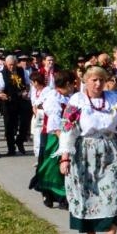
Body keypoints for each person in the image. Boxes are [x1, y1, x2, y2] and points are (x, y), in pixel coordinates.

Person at [58, 64, 117, 234]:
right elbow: (67, 130)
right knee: (86, 196)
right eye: (94, 80)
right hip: (84, 153)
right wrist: (65, 157)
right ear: (85, 81)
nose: (98, 84)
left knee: (114, 194)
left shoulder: (115, 100)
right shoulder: (78, 101)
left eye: (101, 80)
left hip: (110, 151)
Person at [30, 68, 75, 209]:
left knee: (64, 166)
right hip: (54, 137)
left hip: (65, 136)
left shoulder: (69, 97)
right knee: (51, 166)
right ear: (67, 84)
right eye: (72, 84)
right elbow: (55, 126)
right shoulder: (53, 98)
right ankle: (49, 192)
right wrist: (65, 142)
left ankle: (63, 196)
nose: (74, 86)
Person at [0, 54, 32, 156]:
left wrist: (26, 91)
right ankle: (11, 148)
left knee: (25, 121)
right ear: (6, 64)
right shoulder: (1, 75)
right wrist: (1, 95)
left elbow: (28, 84)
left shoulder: (22, 71)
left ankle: (20, 140)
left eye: (14, 64)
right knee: (9, 126)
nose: (12, 67)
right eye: (10, 65)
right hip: (9, 101)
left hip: (21, 99)